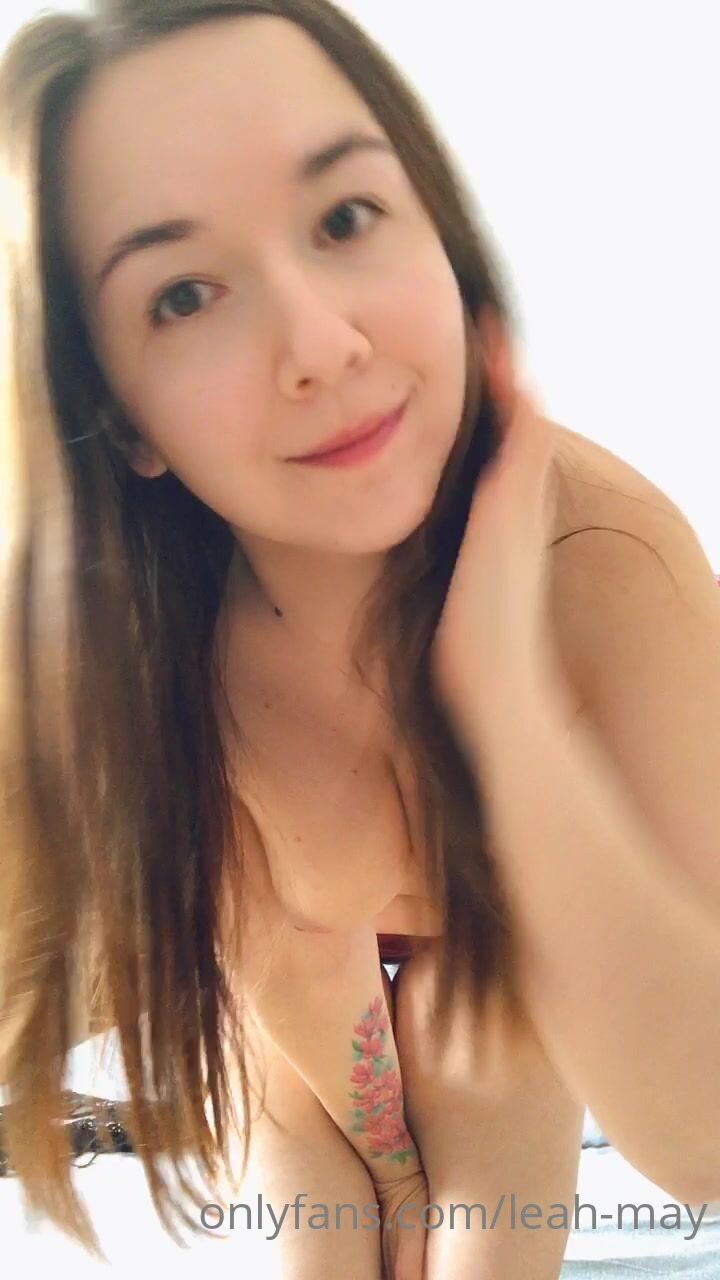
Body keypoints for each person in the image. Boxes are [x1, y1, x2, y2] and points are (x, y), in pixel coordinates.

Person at [1, 3, 719, 1278]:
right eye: (183, 295)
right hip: (278, 962)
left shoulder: (605, 563)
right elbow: (260, 946)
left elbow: (705, 1139)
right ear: (120, 419)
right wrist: (386, 1167)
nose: (323, 347)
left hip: (500, 947)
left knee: (480, 1215)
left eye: (344, 216)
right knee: (326, 1237)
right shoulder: (130, 633)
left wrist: (506, 705)